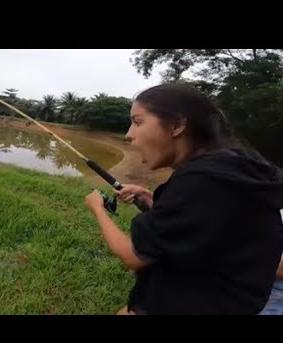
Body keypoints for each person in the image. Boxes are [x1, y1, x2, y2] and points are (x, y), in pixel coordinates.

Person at [85, 83, 283, 315]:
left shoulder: (203, 180)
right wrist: (155, 202)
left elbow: (134, 256)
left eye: (138, 122)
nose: (129, 134)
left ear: (177, 125)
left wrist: (97, 208)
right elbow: (209, 223)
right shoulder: (231, 169)